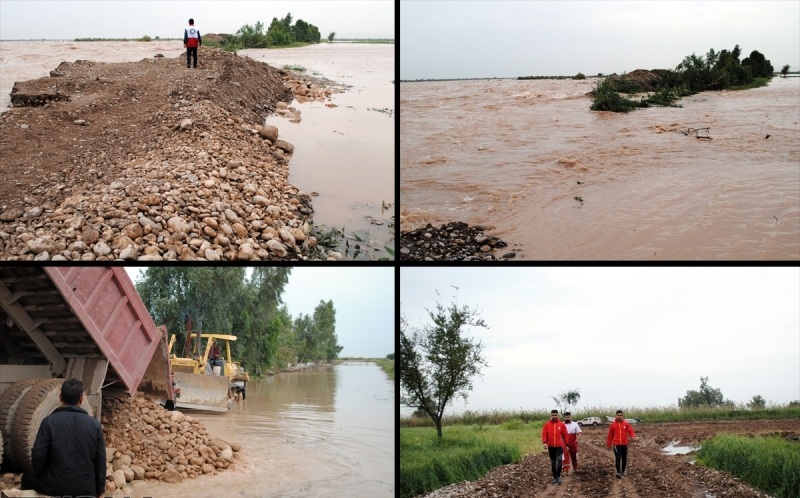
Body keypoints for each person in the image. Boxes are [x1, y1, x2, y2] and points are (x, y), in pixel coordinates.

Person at [21, 378, 106, 498]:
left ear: (60, 398)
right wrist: (100, 488)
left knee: (27, 478)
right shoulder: (95, 425)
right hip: (86, 488)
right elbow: (100, 461)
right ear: (81, 399)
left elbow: (38, 456)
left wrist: (41, 473)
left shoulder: (49, 422)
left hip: (54, 486)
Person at [541, 409, 569, 485]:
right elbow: (544, 435)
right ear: (551, 415)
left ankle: (558, 477)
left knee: (559, 461)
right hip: (551, 447)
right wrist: (544, 442)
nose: (554, 416)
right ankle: (554, 477)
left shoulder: (561, 424)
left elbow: (565, 435)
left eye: (555, 415)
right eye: (553, 415)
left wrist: (567, 444)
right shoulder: (546, 425)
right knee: (553, 462)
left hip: (559, 446)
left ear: (558, 415)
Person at [606, 409, 636, 479]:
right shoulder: (613, 425)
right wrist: (609, 444)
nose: (619, 416)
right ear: (615, 416)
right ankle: (618, 472)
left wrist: (633, 436)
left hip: (624, 444)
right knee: (618, 457)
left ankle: (623, 471)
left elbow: (630, 431)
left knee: (624, 458)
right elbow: (610, 435)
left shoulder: (626, 424)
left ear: (622, 416)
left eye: (620, 415)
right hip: (616, 444)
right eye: (618, 415)